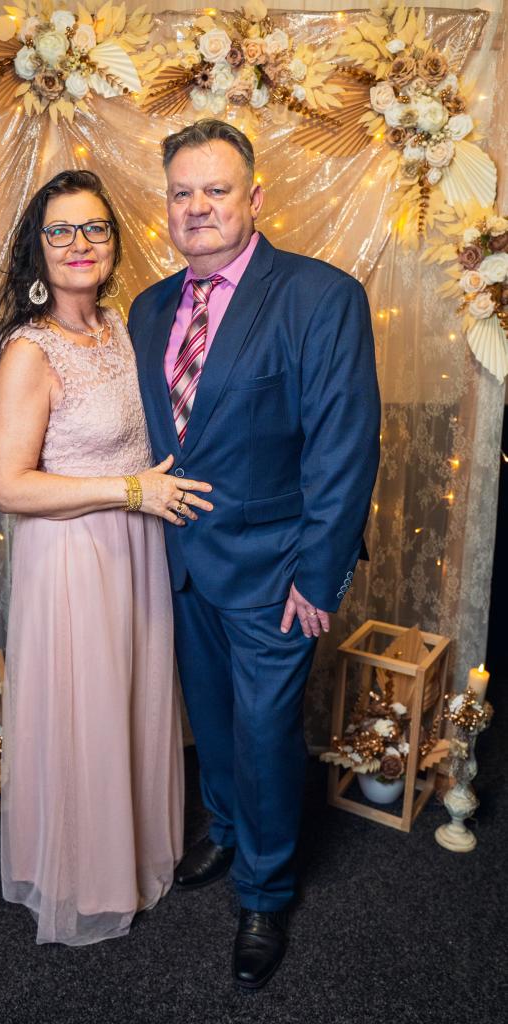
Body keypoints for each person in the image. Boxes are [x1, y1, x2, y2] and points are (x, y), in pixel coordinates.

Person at [128, 120, 381, 988]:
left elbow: (343, 446)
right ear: (167, 205)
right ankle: (229, 830)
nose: (196, 207)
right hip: (181, 563)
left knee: (267, 732)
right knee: (210, 717)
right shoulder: (148, 308)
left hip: (276, 572)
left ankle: (265, 892)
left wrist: (319, 573)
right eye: (181, 192)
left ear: (254, 198)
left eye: (216, 189)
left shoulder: (320, 296)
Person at [0, 169, 214, 946]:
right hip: (73, 556)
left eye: (94, 228)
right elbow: (11, 486)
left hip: (137, 546)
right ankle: (82, 877)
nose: (78, 244)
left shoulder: (123, 326)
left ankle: (132, 855)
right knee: (83, 712)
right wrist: (130, 491)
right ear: (37, 247)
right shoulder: (30, 350)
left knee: (130, 703)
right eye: (60, 230)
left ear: (113, 242)